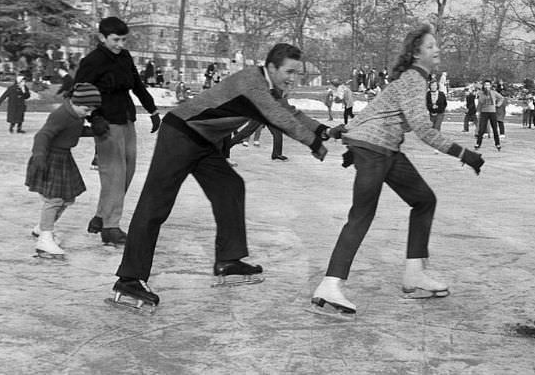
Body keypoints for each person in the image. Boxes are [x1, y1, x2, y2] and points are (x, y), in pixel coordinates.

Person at [111, 43, 340, 310]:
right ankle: (130, 278)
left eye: (296, 73)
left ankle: (228, 261)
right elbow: (279, 117)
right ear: (272, 67)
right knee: (156, 203)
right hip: (180, 134)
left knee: (230, 186)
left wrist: (322, 130)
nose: (292, 78)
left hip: (203, 139)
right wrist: (314, 142)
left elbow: (290, 112)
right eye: (289, 71)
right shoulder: (252, 84)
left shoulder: (268, 88)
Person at [311, 25, 484, 316]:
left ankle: (415, 273)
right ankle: (330, 285)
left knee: (424, 200)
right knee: (362, 214)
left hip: (385, 150)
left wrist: (347, 132)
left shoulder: (412, 80)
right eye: (431, 47)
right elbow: (424, 130)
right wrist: (464, 153)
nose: (437, 50)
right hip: (375, 151)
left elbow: (374, 109)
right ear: (416, 53)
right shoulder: (414, 79)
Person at [73, 17, 160, 247]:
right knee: (114, 174)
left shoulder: (124, 57)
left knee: (128, 171)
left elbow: (137, 85)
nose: (120, 44)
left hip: (127, 118)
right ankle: (111, 227)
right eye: (116, 39)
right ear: (102, 37)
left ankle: (101, 216)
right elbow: (80, 91)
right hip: (106, 122)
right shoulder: (92, 61)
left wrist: (152, 110)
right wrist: (94, 117)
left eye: (123, 39)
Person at [26, 83, 102, 258]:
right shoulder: (61, 114)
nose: (89, 113)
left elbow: (71, 132)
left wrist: (93, 131)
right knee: (54, 200)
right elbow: (43, 135)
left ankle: (42, 227)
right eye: (86, 109)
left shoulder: (76, 114)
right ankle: (45, 239)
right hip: (50, 158)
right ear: (75, 102)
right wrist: (39, 157)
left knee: (68, 199)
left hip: (64, 157)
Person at [475, 80, 503, 151]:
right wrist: (478, 111)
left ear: (490, 86)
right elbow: (480, 102)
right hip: (484, 112)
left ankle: (497, 143)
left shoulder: (493, 92)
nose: (487, 86)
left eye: (488, 85)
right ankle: (478, 143)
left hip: (492, 112)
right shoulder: (481, 93)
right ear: (484, 86)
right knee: (481, 129)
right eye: (485, 85)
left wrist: (498, 104)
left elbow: (501, 98)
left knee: (495, 129)